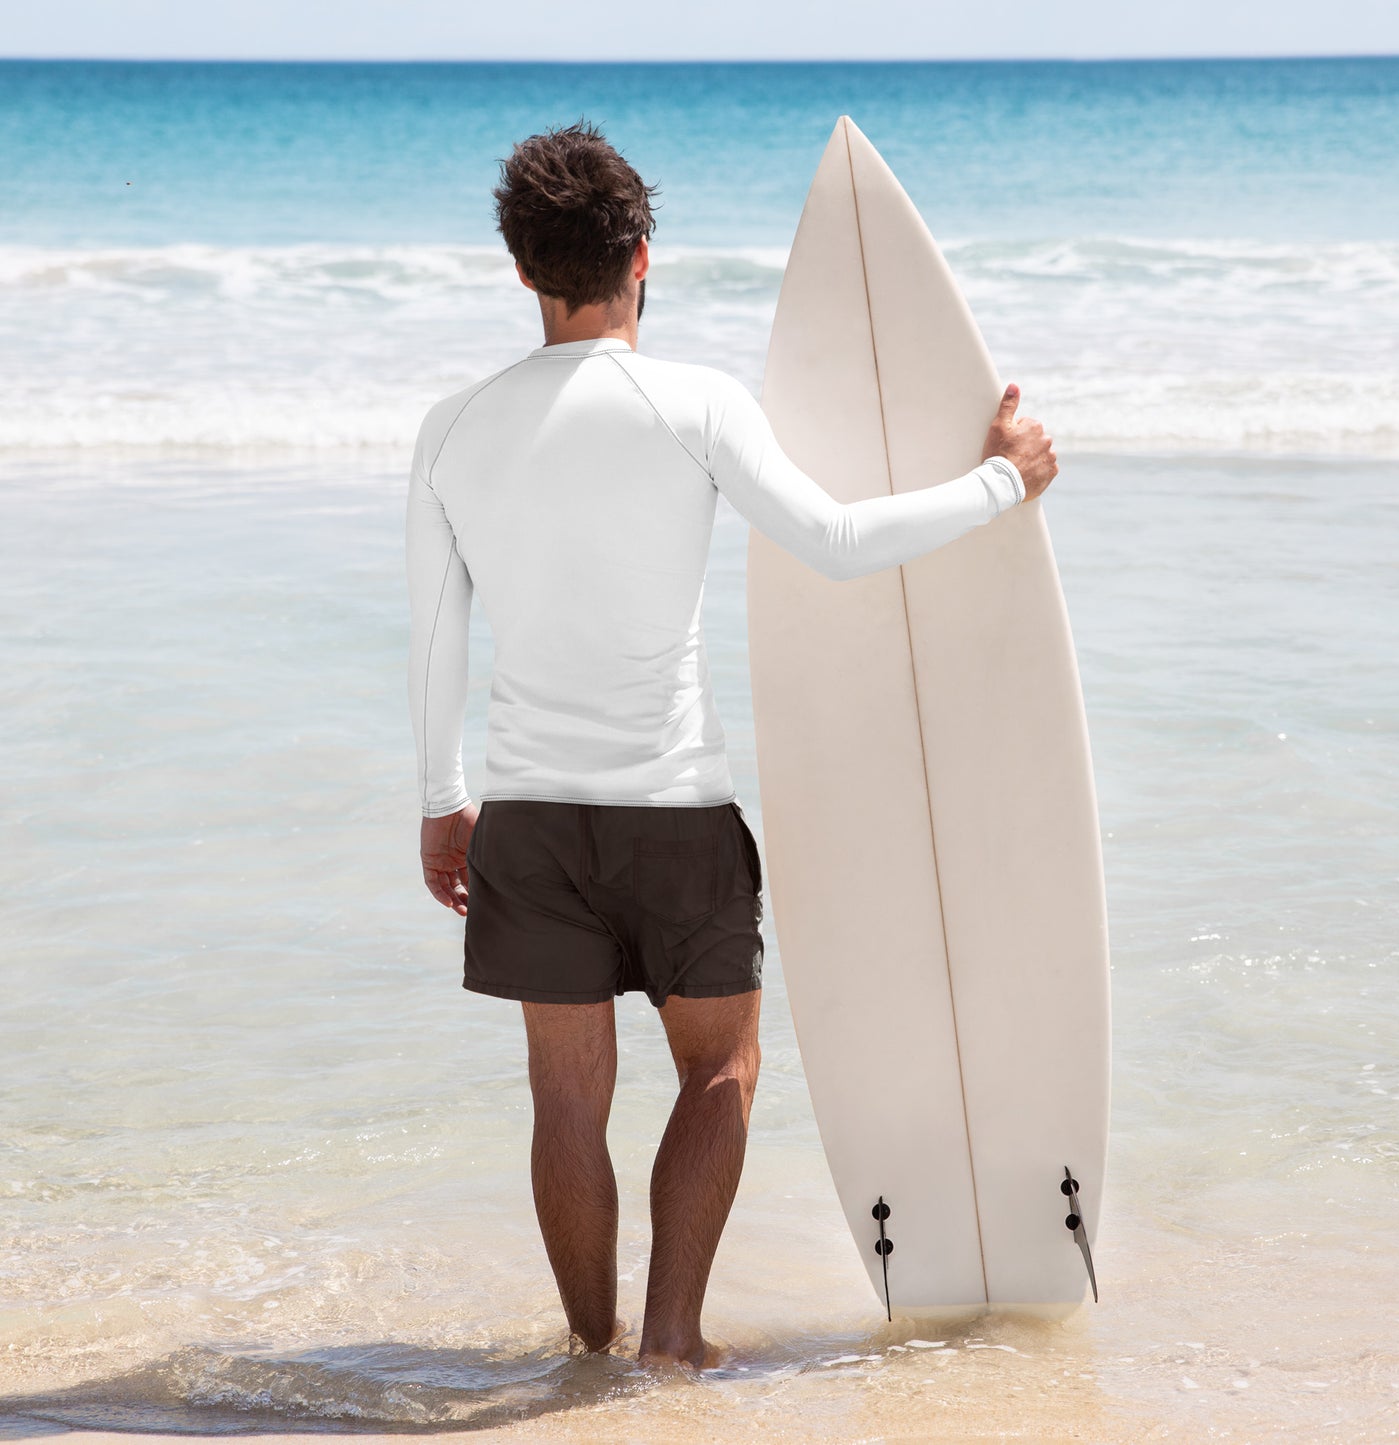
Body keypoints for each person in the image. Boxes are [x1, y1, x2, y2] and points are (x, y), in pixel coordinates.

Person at [406, 120, 1058, 1371]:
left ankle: (586, 1350)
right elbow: (832, 539)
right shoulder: (693, 403)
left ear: (520, 269)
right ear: (641, 255)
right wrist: (998, 482)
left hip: (529, 819)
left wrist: (442, 804)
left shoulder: (451, 427)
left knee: (564, 1099)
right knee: (720, 1069)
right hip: (673, 813)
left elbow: (437, 637)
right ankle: (669, 1340)